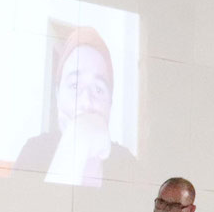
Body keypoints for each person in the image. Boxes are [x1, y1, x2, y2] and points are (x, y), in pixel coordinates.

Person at [14, 26, 135, 186]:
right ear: (58, 96)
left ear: (110, 105)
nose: (86, 102)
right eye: (75, 86)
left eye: (98, 89)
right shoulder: (34, 153)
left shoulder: (127, 165)